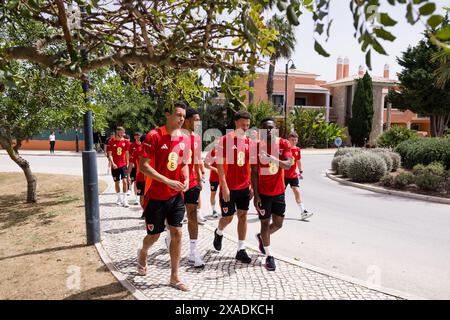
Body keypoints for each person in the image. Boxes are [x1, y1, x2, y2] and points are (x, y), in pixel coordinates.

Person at [137, 102, 190, 291]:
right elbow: (143, 166)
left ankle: (174, 276)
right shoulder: (154, 136)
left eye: (183, 116)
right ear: (167, 114)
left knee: (177, 232)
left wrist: (186, 176)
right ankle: (143, 252)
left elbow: (184, 162)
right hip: (156, 196)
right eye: (178, 115)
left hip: (176, 196)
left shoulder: (184, 138)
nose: (182, 119)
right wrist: (168, 181)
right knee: (154, 235)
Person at [251, 118, 293, 271]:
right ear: (261, 130)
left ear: (275, 128)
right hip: (263, 193)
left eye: (270, 128)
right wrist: (256, 195)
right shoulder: (256, 146)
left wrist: (273, 159)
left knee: (278, 224)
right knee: (264, 222)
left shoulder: (284, 144)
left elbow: (288, 165)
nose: (268, 130)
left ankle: (262, 237)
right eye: (265, 128)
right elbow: (254, 172)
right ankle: (269, 255)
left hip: (279, 192)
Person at [213, 111, 253, 264]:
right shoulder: (225, 140)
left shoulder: (250, 142)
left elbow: (252, 166)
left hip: (244, 187)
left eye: (248, 125)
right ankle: (219, 231)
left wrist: (252, 187)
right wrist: (223, 186)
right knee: (228, 217)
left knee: (243, 216)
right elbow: (220, 165)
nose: (245, 127)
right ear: (235, 123)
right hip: (228, 187)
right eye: (243, 124)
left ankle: (241, 249)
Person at [177, 107, 205, 268]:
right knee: (175, 216)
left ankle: (193, 253)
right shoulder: (176, 135)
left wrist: (199, 176)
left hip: (192, 181)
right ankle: (169, 234)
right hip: (177, 182)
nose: (198, 123)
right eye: (196, 119)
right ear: (186, 120)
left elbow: (196, 159)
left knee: (192, 214)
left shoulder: (197, 137)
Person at [284, 132, 313, 220]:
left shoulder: (297, 150)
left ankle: (303, 211)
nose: (294, 141)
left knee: (297, 191)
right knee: (280, 195)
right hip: (283, 176)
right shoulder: (284, 149)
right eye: (292, 140)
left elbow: (298, 161)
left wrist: (300, 171)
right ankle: (273, 211)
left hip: (293, 175)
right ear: (288, 140)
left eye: (295, 140)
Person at [107, 127, 131, 207]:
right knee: (117, 182)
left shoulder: (126, 142)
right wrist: (112, 163)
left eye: (123, 133)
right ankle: (119, 198)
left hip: (123, 165)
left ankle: (125, 200)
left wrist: (127, 163)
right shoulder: (111, 141)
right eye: (121, 132)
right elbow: (109, 154)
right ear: (117, 132)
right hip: (115, 165)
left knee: (125, 181)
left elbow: (127, 153)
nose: (122, 134)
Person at [204, 138, 220, 218]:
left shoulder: (225, 152)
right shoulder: (211, 153)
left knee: (224, 194)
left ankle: (224, 210)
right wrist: (215, 169)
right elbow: (205, 165)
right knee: (213, 194)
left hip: (223, 177)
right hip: (214, 178)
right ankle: (214, 210)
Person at [128, 132, 142, 205]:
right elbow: (129, 154)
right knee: (135, 182)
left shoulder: (143, 145)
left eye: (138, 136)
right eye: (136, 136)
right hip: (134, 166)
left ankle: (141, 198)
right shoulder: (132, 145)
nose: (137, 137)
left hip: (142, 167)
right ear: (134, 137)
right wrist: (131, 162)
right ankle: (136, 198)